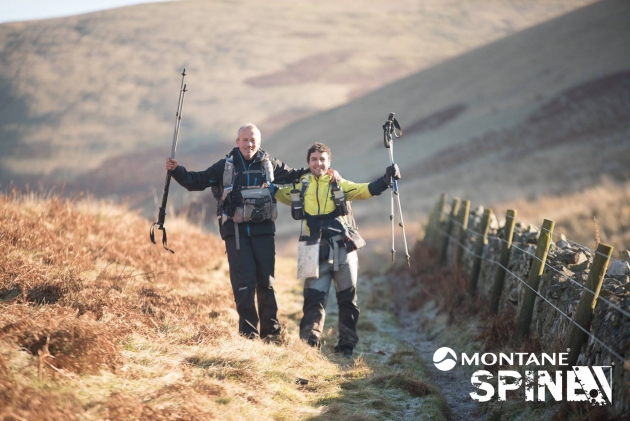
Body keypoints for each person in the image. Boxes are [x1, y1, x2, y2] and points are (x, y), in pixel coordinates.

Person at [165, 123, 314, 342]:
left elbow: (295, 175)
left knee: (267, 282)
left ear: (259, 142)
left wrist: (319, 169)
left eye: (253, 140)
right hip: (235, 233)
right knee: (244, 284)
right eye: (245, 140)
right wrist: (177, 170)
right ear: (237, 142)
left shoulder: (269, 164)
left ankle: (271, 334)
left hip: (263, 231)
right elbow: (196, 181)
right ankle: (248, 335)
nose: (249, 144)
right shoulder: (224, 166)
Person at [274, 142, 400, 357]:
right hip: (310, 249)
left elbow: (364, 190)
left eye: (322, 159)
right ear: (308, 163)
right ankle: (309, 344)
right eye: (314, 159)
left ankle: (346, 347)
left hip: (344, 247)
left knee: (348, 301)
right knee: (313, 300)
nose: (318, 163)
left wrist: (386, 180)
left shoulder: (339, 183)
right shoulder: (299, 185)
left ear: (329, 162)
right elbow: (275, 191)